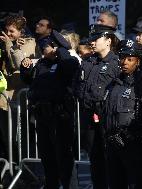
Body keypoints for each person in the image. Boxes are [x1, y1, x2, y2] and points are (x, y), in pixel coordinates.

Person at [20, 30, 79, 189]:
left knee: (64, 157)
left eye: (44, 47)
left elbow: (69, 68)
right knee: (47, 156)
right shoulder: (42, 64)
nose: (41, 50)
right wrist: (25, 67)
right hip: (42, 115)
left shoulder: (68, 61)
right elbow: (28, 80)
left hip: (60, 115)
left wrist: (60, 50)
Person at [104, 39, 142, 189]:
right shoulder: (114, 83)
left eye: (130, 59)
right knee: (115, 183)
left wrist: (133, 131)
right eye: (122, 58)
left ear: (138, 61)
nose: (124, 62)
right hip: (113, 143)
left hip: (134, 144)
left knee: (138, 184)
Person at [73, 24, 120, 189]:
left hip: (107, 118)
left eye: (96, 38)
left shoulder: (116, 63)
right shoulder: (88, 62)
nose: (92, 42)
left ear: (108, 41)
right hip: (89, 117)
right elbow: (77, 85)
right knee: (95, 159)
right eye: (91, 38)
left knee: (111, 160)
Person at [0, 15, 36, 160]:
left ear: (21, 31)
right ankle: (10, 166)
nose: (8, 34)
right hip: (4, 97)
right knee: (5, 135)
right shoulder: (4, 42)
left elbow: (19, 65)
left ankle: (23, 169)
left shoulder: (29, 43)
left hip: (19, 97)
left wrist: (11, 45)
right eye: (6, 31)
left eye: (12, 31)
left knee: (20, 138)